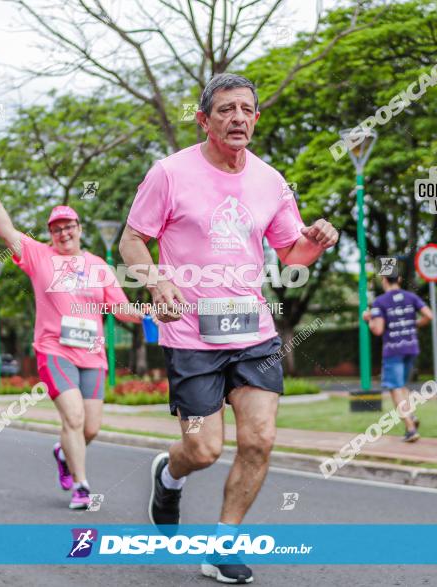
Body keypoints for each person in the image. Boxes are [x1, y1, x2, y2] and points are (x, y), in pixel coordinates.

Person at [119, 73, 339, 585]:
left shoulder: (270, 180)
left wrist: (316, 241)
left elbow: (291, 252)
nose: (237, 117)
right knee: (203, 449)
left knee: (259, 440)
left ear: (256, 119)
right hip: (190, 336)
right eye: (225, 110)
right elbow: (133, 240)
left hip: (252, 331)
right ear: (204, 120)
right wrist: (156, 282)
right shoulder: (169, 173)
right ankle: (168, 476)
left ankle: (223, 546)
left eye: (246, 109)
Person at [0, 173, 145, 510]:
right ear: (50, 234)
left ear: (79, 229)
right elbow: (6, 231)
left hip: (93, 355)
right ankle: (81, 487)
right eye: (56, 228)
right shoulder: (39, 257)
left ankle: (63, 452)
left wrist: (149, 314)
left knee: (91, 427)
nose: (64, 233)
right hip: (54, 350)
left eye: (69, 226)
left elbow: (119, 307)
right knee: (74, 418)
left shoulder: (98, 265)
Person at [362, 269, 434, 442]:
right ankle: (412, 416)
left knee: (395, 389)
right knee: (402, 386)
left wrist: (368, 319)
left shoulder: (380, 302)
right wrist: (413, 325)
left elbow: (378, 330)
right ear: (399, 279)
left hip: (393, 350)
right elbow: (429, 315)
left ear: (383, 280)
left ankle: (410, 428)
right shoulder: (411, 297)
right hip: (411, 347)